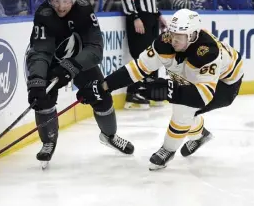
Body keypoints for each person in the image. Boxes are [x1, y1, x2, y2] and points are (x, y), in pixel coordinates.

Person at [76, 9, 244, 171]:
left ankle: (168, 149)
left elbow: (203, 96)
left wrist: (167, 90)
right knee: (185, 105)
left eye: (179, 36)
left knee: (184, 107)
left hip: (225, 85)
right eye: (172, 34)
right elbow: (137, 68)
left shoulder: (207, 52)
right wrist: (104, 86)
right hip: (194, 76)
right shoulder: (164, 42)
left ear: (193, 36)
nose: (173, 40)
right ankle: (200, 135)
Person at [26, 0, 134, 168]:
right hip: (50, 62)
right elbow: (40, 52)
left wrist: (69, 68)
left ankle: (109, 136)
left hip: (79, 60)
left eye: (65, 0)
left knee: (101, 96)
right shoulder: (44, 14)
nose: (61, 6)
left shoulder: (83, 11)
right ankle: (48, 142)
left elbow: (95, 49)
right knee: (43, 99)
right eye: (57, 1)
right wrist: (36, 80)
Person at [121, 0, 167, 110]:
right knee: (142, 55)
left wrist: (158, 15)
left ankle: (150, 90)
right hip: (140, 18)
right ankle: (134, 92)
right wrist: (135, 17)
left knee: (153, 54)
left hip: (151, 19)